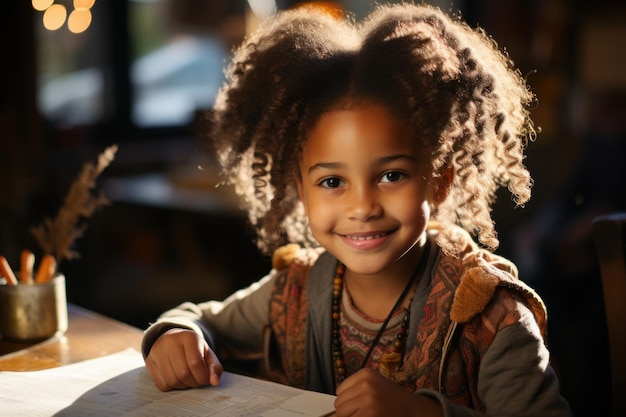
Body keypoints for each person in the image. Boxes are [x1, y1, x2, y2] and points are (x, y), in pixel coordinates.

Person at [142, 3, 572, 416]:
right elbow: (202, 319)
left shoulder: (493, 316)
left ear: (439, 180)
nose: (362, 207)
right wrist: (177, 334)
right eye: (332, 182)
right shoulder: (295, 289)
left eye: (391, 176)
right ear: (302, 190)